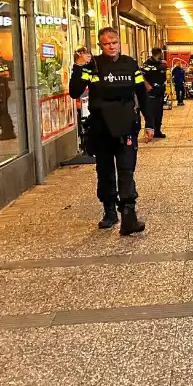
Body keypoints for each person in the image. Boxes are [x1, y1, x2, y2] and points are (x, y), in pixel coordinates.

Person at [69, 27, 150, 235]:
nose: (111, 46)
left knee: (126, 169)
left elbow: (141, 94)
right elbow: (75, 91)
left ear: (119, 42)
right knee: (105, 172)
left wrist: (150, 122)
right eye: (106, 43)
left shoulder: (130, 64)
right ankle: (109, 211)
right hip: (101, 126)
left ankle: (129, 215)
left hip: (126, 124)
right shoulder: (92, 65)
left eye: (114, 42)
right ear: (100, 45)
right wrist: (78, 67)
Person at [141, 48, 168, 139]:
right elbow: (142, 75)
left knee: (159, 112)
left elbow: (163, 75)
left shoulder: (161, 63)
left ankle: (157, 131)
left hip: (160, 90)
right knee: (151, 111)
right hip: (152, 90)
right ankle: (150, 131)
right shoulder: (148, 63)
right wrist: (147, 85)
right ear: (159, 53)